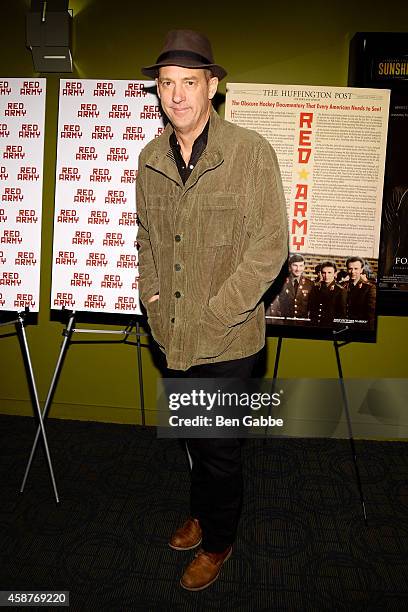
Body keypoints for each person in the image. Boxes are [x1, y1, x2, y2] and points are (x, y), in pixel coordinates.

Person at [137, 29, 288, 591]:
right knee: (194, 437)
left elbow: (270, 248)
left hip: (227, 339)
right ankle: (203, 513)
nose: (177, 95)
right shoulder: (149, 159)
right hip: (172, 334)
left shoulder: (250, 153)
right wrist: (152, 300)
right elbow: (146, 242)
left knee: (221, 451)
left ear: (213, 87)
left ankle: (220, 541)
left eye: (189, 83)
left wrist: (218, 312)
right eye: (166, 83)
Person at [266, 254, 313, 323]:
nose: (298, 269)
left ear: (304, 267)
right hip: (285, 322)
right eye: (295, 265)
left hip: (302, 324)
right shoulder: (281, 282)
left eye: (301, 266)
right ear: (290, 266)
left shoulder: (310, 284)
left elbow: (311, 307)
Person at [309, 261, 347, 327]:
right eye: (324, 273)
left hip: (331, 326)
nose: (326, 275)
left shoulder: (340, 290)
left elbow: (342, 315)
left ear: (335, 274)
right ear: (321, 273)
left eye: (329, 272)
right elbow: (312, 309)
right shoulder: (316, 288)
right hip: (315, 325)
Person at [343, 256, 376, 329]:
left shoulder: (369, 288)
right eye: (350, 269)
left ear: (361, 270)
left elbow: (371, 315)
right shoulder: (342, 286)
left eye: (356, 269)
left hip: (359, 328)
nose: (353, 272)